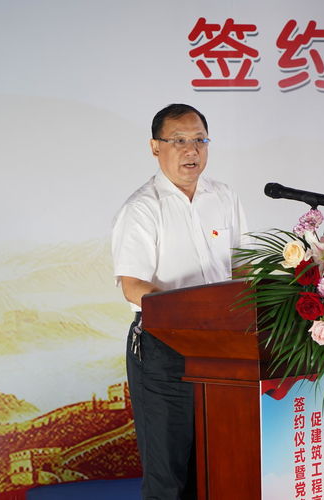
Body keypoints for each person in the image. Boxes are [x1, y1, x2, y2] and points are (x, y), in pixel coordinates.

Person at [111, 103, 247, 500]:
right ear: (155, 147)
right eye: (179, 141)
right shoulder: (142, 207)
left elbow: (243, 268)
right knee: (170, 474)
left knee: (218, 465)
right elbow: (132, 285)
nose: (192, 150)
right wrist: (188, 315)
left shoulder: (224, 197)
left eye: (200, 140)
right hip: (164, 351)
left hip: (224, 348)